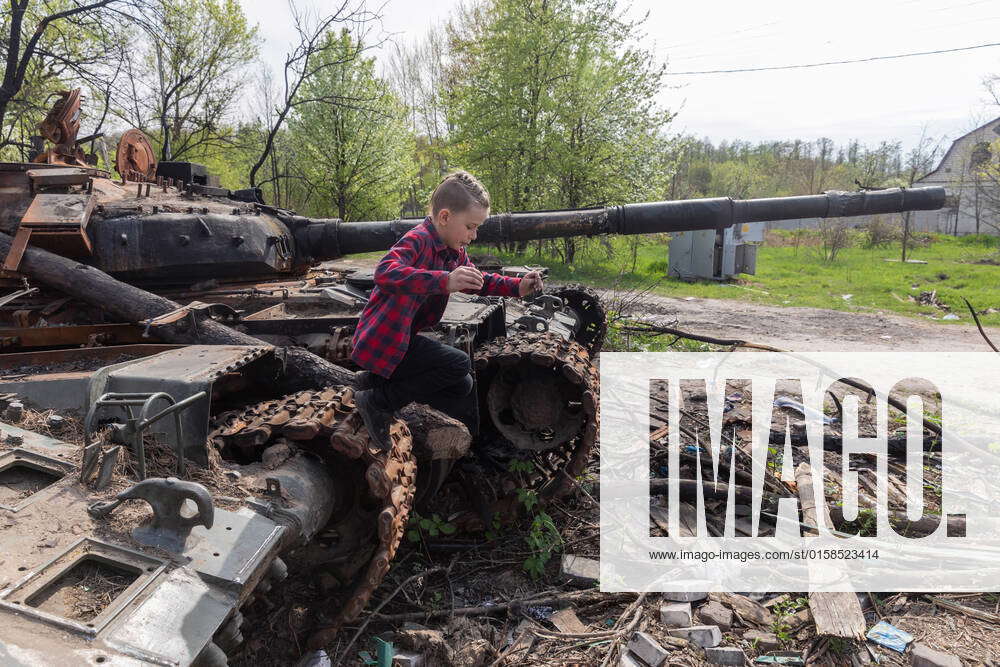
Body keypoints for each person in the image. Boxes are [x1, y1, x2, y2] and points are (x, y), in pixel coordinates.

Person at [350, 171, 544, 451]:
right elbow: (385, 272)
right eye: (470, 226)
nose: (474, 235)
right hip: (385, 340)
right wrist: (443, 280)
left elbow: (476, 280)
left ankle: (376, 384)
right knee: (457, 363)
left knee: (462, 384)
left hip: (403, 340)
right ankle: (377, 402)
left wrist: (517, 287)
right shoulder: (418, 239)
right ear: (444, 217)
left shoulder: (452, 251)